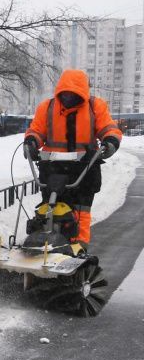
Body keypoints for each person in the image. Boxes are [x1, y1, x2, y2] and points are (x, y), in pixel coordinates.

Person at [23, 69, 122, 248]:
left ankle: (79, 246)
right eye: (66, 92)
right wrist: (31, 142)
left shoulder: (95, 106)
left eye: (74, 93)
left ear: (82, 92)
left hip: (84, 166)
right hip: (53, 166)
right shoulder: (47, 107)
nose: (69, 96)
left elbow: (108, 127)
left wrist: (110, 141)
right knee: (50, 206)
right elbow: (36, 130)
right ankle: (45, 240)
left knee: (81, 209)